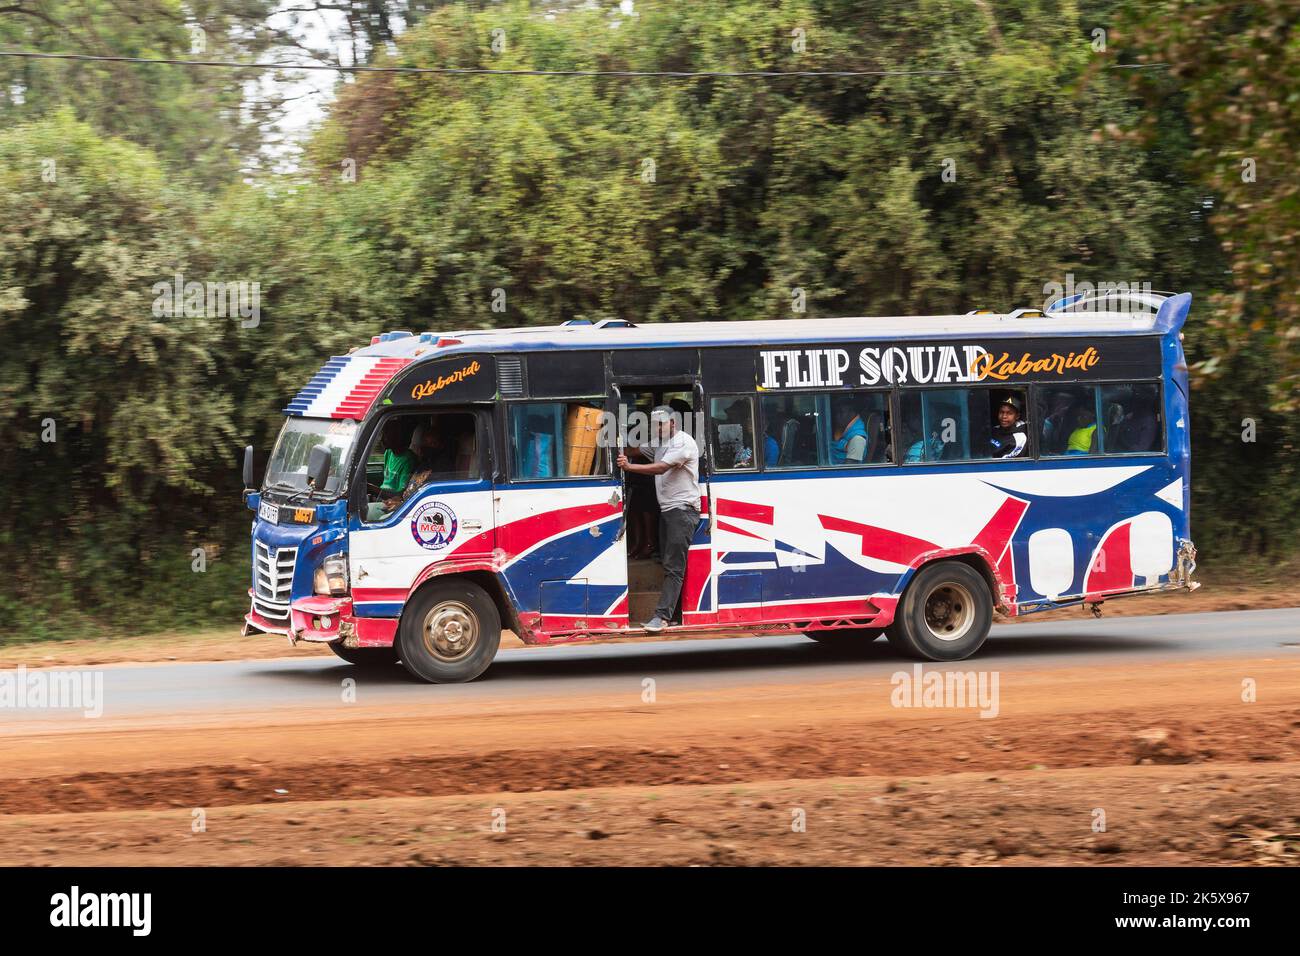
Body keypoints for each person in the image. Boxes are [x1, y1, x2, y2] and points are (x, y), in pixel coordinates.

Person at [617, 405, 701, 633]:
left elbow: (661, 468)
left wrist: (629, 467)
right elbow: (636, 450)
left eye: (661, 424)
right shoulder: (659, 442)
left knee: (674, 566)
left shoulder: (683, 443)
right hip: (668, 511)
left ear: (673, 423)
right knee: (668, 563)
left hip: (682, 511)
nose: (657, 428)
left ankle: (662, 617)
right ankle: (674, 615)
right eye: (654, 425)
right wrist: (617, 451)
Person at [365, 419, 419, 521]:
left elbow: (400, 494)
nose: (382, 440)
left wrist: (371, 488)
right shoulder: (388, 453)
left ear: (397, 437)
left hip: (393, 502)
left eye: (386, 436)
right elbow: (386, 483)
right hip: (381, 498)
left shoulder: (408, 460)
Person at [989, 394, 1028, 458]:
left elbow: (1004, 464)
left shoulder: (1019, 438)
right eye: (1001, 412)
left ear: (1017, 416)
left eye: (1009, 413)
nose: (1004, 416)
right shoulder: (994, 429)